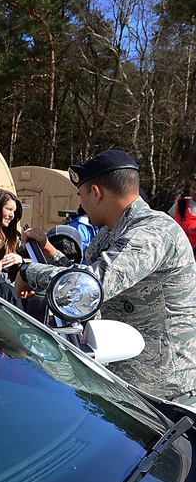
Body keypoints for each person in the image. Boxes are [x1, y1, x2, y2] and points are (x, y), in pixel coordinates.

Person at [16, 150, 196, 404]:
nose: (82, 206)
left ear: (96, 193)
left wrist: (26, 271)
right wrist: (50, 251)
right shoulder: (114, 232)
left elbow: (90, 286)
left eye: (82, 196)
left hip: (165, 393)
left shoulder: (151, 233)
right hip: (130, 382)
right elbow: (89, 275)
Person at [167, 178, 196, 252]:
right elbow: (166, 227)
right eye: (193, 188)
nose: (195, 192)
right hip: (180, 255)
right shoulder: (180, 205)